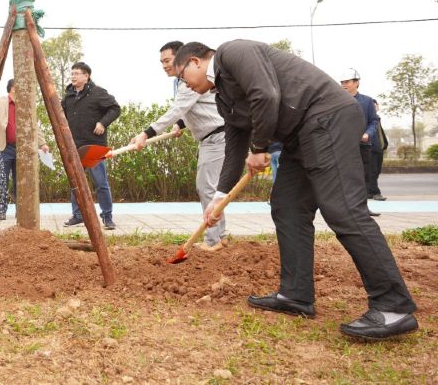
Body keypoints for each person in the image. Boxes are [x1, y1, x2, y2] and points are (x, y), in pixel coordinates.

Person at [173, 39, 417, 340]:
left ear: (195, 62)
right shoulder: (223, 95)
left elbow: (266, 94)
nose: (183, 84)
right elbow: (235, 143)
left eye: (181, 76)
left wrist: (260, 148)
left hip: (327, 118)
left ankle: (393, 306)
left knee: (342, 209)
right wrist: (219, 197)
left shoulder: (232, 52)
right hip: (301, 136)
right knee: (287, 206)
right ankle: (296, 294)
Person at [129, 41, 227, 250]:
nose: (164, 65)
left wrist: (146, 133)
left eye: (168, 60)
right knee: (212, 188)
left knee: (206, 187)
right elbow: (192, 108)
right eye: (161, 62)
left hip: (216, 136)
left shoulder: (187, 83)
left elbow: (176, 110)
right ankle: (221, 236)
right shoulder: (182, 83)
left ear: (182, 58)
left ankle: (214, 241)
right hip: (213, 136)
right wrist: (181, 124)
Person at [61, 62, 121, 230]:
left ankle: (107, 217)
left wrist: (102, 123)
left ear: (86, 76)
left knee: (101, 183)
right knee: (76, 183)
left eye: (77, 73)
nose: (73, 76)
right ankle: (78, 215)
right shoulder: (68, 97)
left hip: (95, 146)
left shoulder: (98, 93)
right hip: (75, 146)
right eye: (72, 73)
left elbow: (115, 109)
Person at [0, 79, 49, 220]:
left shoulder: (26, 104)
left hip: (22, 149)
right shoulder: (0, 101)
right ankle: (1, 210)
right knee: (1, 180)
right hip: (3, 148)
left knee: (21, 182)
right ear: (13, 88)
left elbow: (34, 125)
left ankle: (21, 211)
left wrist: (42, 143)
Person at [339, 68, 381, 216]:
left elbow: (374, 121)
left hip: (363, 145)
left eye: (347, 82)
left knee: (363, 177)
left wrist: (367, 134)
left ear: (356, 83)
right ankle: (344, 209)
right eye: (342, 82)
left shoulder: (367, 101)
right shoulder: (336, 100)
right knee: (344, 177)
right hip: (342, 146)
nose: (344, 85)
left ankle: (363, 209)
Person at [369, 99, 388, 201]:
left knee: (377, 172)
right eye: (373, 105)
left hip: (379, 148)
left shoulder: (377, 118)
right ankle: (376, 193)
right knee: (373, 171)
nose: (375, 107)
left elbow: (380, 134)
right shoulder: (369, 119)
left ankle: (369, 192)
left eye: (376, 105)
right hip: (371, 148)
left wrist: (384, 144)